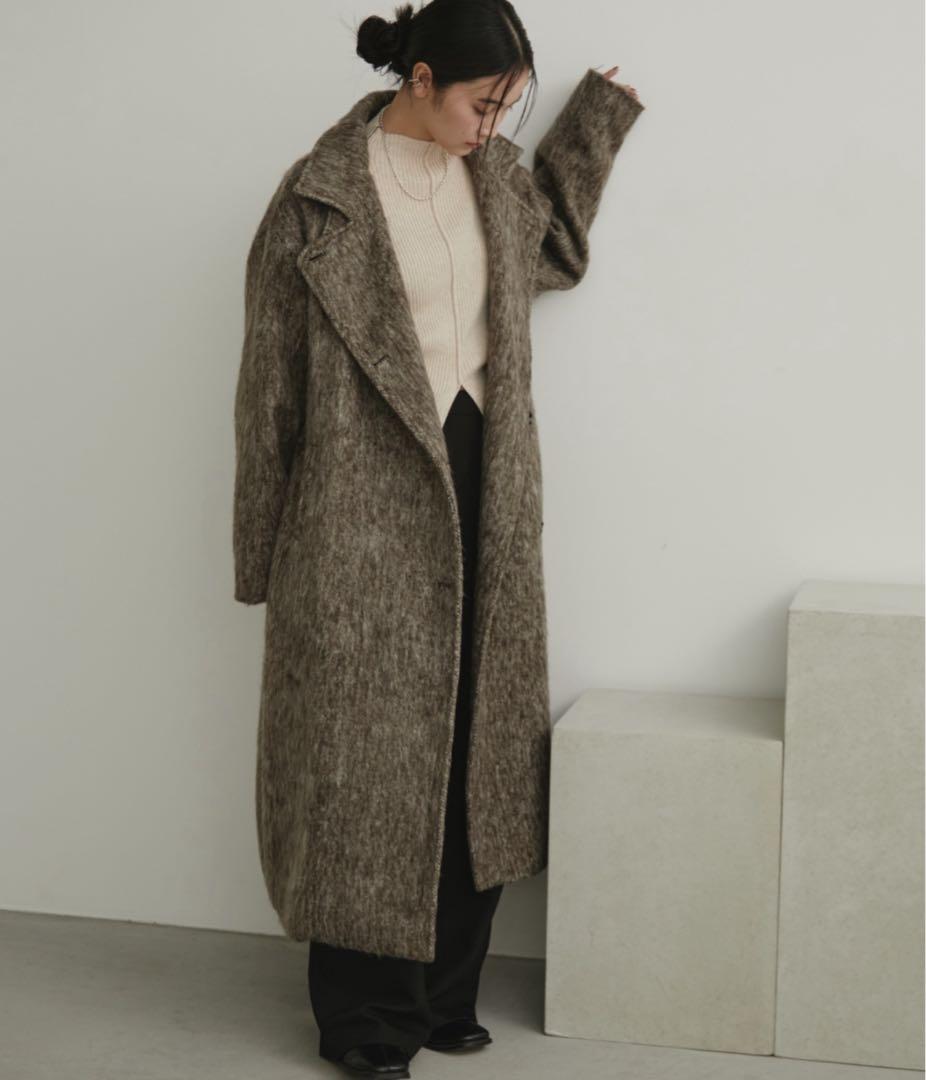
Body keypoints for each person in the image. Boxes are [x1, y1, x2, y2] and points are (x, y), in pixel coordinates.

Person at [233, 1, 643, 1075]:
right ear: (419, 80)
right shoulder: (317, 198)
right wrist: (261, 549)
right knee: (364, 762)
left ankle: (446, 991)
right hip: (354, 502)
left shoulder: (496, 176)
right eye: (481, 103)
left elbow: (556, 249)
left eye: (509, 107)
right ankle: (368, 1018)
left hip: (486, 482)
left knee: (476, 742)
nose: (493, 125)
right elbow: (267, 384)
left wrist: (594, 121)